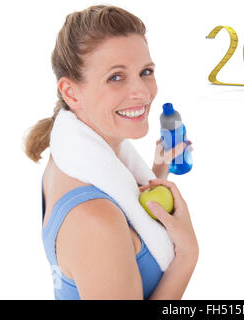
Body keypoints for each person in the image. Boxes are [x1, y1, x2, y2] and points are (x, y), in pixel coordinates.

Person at [23, 5, 198, 299]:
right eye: (116, 77)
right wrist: (187, 256)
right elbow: (106, 223)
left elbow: (124, 206)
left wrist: (157, 172)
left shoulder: (74, 158)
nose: (142, 91)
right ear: (71, 92)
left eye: (146, 72)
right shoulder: (94, 219)